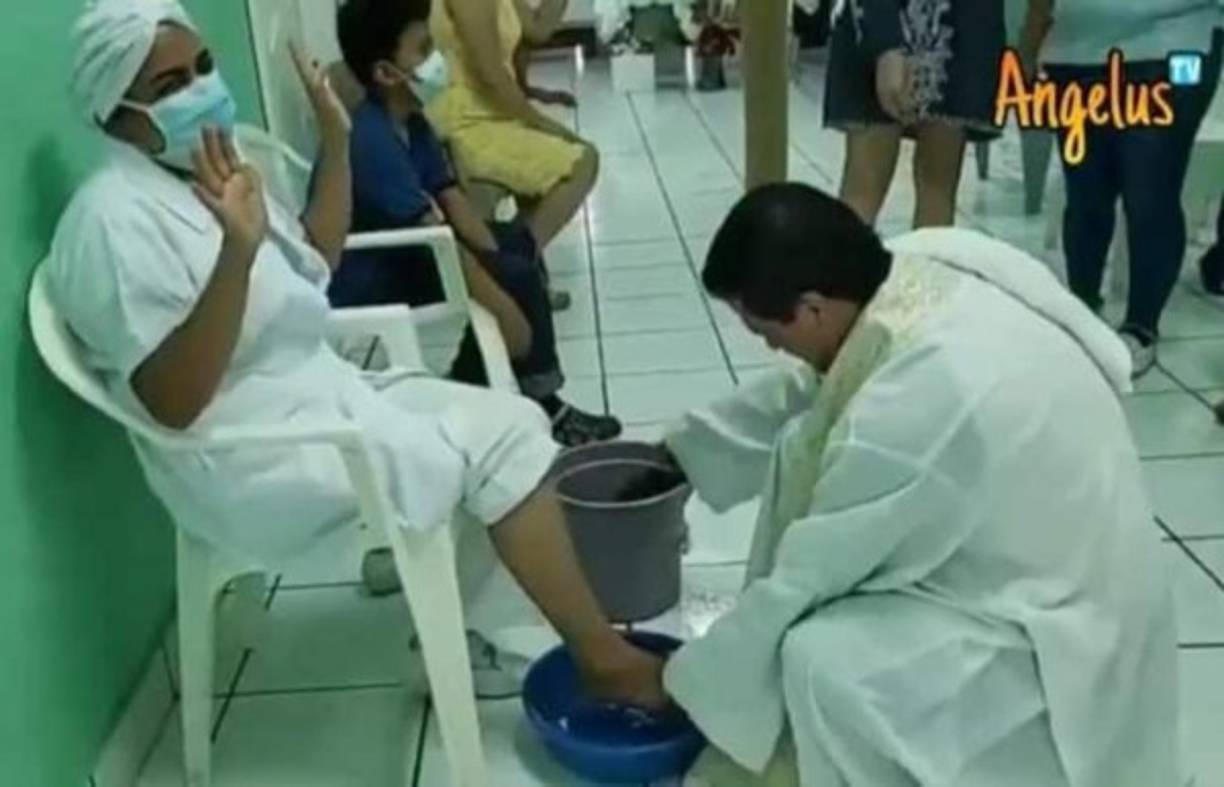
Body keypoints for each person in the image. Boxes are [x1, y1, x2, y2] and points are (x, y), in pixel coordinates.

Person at [51, 0, 665, 707]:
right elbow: (174, 402)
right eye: (169, 86)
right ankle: (599, 660)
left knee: (518, 423)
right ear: (115, 111)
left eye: (204, 67)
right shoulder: (110, 224)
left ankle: (456, 628)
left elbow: (315, 259)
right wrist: (236, 252)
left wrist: (336, 144)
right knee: (495, 451)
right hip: (252, 453)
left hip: (312, 396)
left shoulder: (198, 172)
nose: (201, 90)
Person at [649, 184, 1178, 786]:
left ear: (814, 308)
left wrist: (687, 683)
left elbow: (807, 576)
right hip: (1025, 536)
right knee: (801, 441)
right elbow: (817, 390)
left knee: (819, 659)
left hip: (1059, 625)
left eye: (768, 332)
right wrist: (680, 451)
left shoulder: (922, 396)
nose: (771, 346)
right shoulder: (914, 267)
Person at [333, 0, 620, 447]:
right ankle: (545, 402)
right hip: (380, 272)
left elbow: (448, 195)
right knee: (512, 279)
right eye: (424, 49)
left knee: (517, 251)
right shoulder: (372, 141)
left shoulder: (411, 121)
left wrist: (497, 255)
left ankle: (478, 385)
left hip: (418, 248)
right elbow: (436, 237)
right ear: (387, 73)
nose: (439, 59)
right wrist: (503, 302)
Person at [1038, 7, 1223, 377]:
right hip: (1073, 46)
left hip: (1172, 38)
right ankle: (1082, 309)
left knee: (1150, 190)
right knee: (1086, 191)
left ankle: (1141, 326)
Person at [428, 0, 598, 308]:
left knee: (541, 178)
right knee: (582, 161)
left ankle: (515, 270)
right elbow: (490, 74)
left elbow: (537, 29)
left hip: (491, 109)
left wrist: (531, 97)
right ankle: (512, 269)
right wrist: (542, 122)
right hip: (468, 116)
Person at [824, 0, 1006, 228]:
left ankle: (928, 261)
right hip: (880, 14)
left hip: (962, 24)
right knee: (865, 185)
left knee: (938, 185)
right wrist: (885, 44)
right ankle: (844, 261)